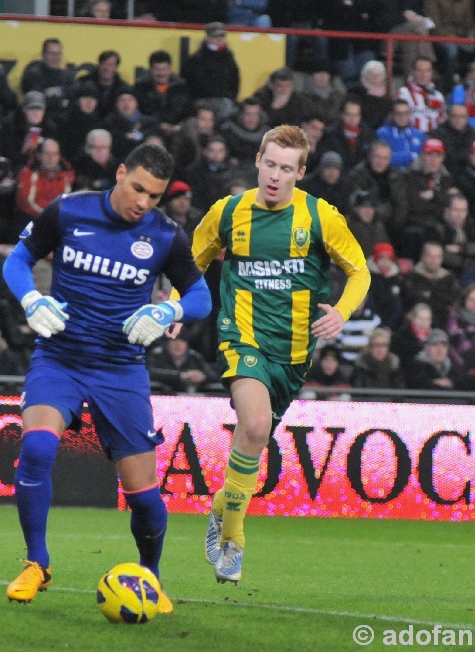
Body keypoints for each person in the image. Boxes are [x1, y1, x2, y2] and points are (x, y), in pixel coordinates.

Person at [0, 143, 211, 607]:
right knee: (37, 445)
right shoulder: (68, 211)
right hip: (60, 358)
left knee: (143, 496)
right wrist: (32, 299)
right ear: (119, 173)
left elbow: (202, 297)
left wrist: (169, 309)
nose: (143, 202)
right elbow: (16, 261)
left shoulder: (165, 235)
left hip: (120, 369)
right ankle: (37, 563)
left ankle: (150, 579)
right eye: (137, 188)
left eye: (153, 196)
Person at [186, 125, 369, 583]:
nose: (275, 175)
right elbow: (191, 261)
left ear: (300, 173)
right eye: (269, 164)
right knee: (254, 425)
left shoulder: (320, 217)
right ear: (258, 161)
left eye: (286, 169)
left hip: (293, 352)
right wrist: (176, 302)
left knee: (253, 440)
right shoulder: (228, 212)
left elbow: (360, 272)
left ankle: (222, 509)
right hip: (242, 337)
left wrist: (343, 313)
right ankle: (234, 539)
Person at [180, 22, 240, 124]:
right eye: (216, 37)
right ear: (207, 38)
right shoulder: (195, 60)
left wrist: (229, 98)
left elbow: (235, 81)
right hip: (201, 100)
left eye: (222, 36)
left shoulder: (229, 58)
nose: (219, 39)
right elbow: (190, 85)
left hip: (224, 100)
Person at [396, 58, 446, 134]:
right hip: (410, 136)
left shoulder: (438, 95)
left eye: (427, 70)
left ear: (432, 73)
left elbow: (442, 120)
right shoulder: (403, 93)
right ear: (412, 72)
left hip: (433, 137)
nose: (424, 74)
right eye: (419, 70)